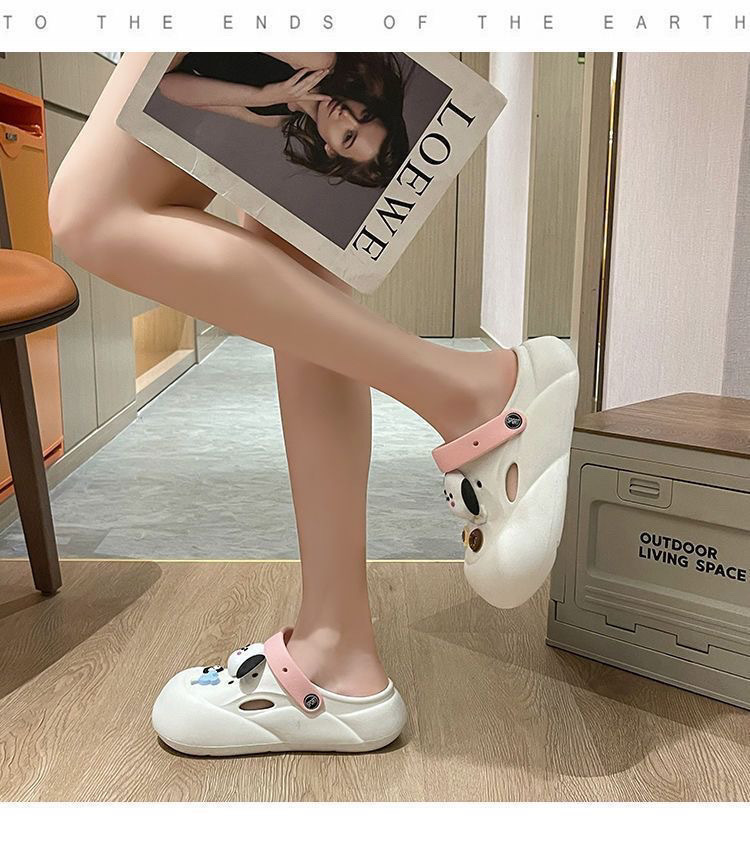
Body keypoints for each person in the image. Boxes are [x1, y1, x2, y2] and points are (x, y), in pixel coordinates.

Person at [48, 52, 578, 756]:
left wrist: (270, 94)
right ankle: (338, 649)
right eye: (354, 130)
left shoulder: (310, 84)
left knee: (96, 213)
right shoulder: (307, 89)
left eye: (355, 132)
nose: (347, 120)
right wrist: (270, 95)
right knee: (294, 251)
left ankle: (470, 393)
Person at [158, 52, 410, 188]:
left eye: (349, 136)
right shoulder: (319, 60)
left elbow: (168, 85)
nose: (347, 116)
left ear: (331, 150)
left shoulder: (271, 117)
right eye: (365, 115)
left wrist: (261, 97)